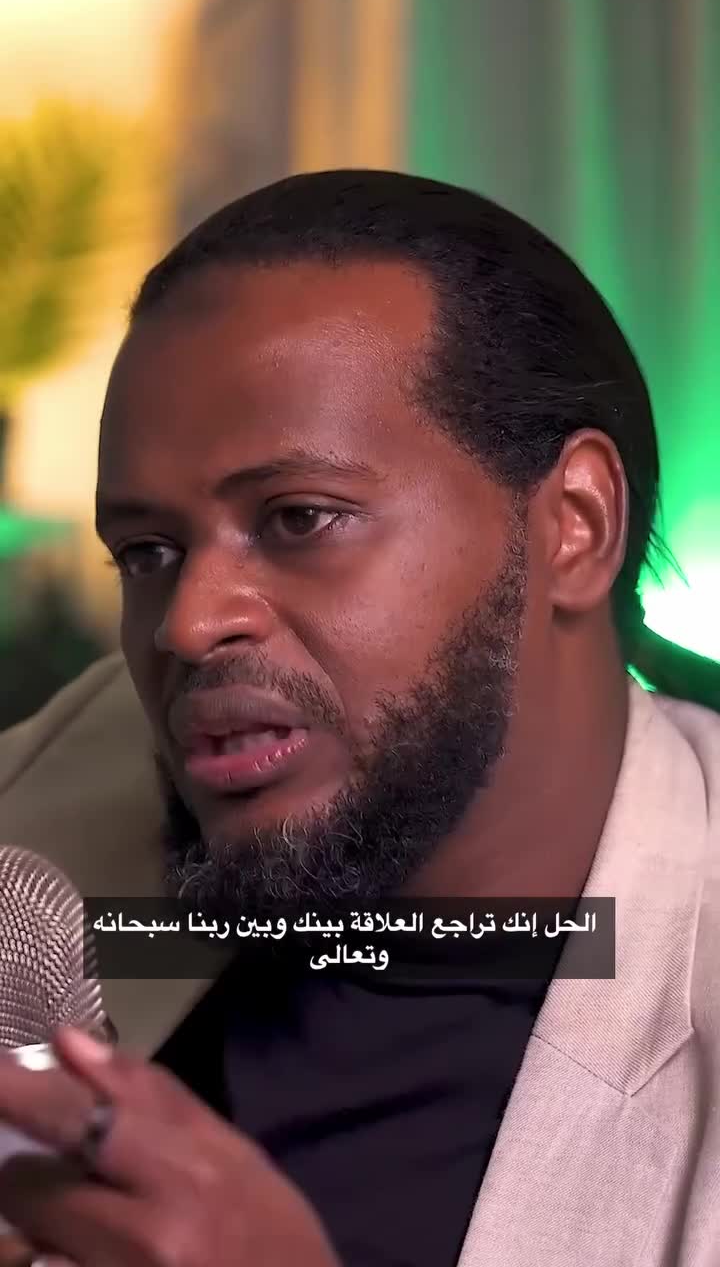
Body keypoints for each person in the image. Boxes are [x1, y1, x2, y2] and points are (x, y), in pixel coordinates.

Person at [0, 169, 718, 1267]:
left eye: (300, 517)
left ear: (574, 524)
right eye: (147, 552)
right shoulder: (68, 778)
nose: (187, 623)